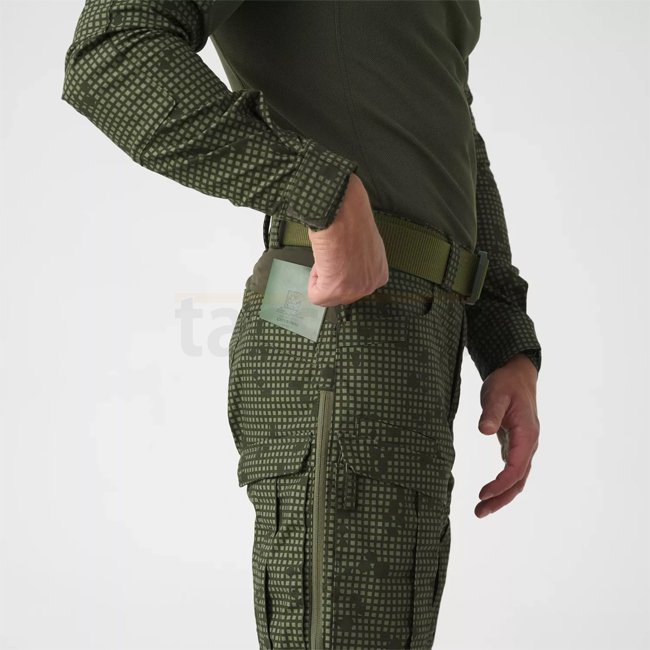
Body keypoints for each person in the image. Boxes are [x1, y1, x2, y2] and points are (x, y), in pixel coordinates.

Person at [61, 1, 542, 648]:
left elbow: (451, 128)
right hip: (339, 320)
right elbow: (114, 48)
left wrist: (506, 341)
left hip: (424, 333)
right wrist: (318, 189)